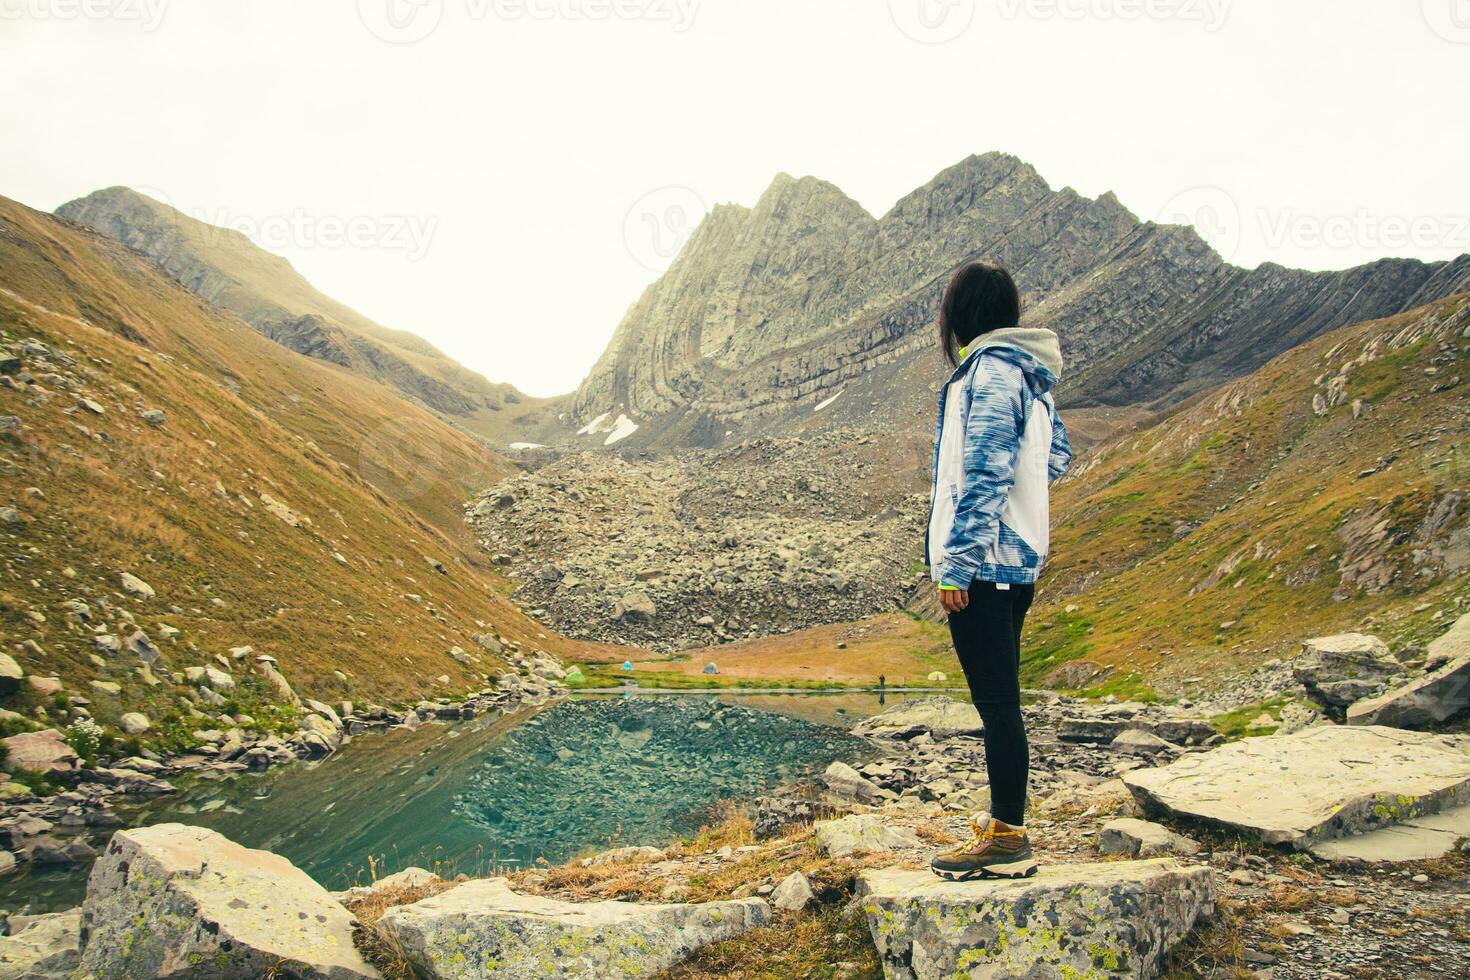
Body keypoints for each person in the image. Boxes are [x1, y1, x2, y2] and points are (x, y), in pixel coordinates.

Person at [924, 261, 1071, 881]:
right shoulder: (1033, 379)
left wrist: (957, 564)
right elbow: (1055, 457)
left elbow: (984, 471)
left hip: (984, 567)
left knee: (997, 705)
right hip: (1020, 563)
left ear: (963, 313)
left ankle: (1008, 836)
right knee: (1001, 700)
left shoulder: (987, 373)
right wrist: (1022, 504)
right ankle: (1005, 822)